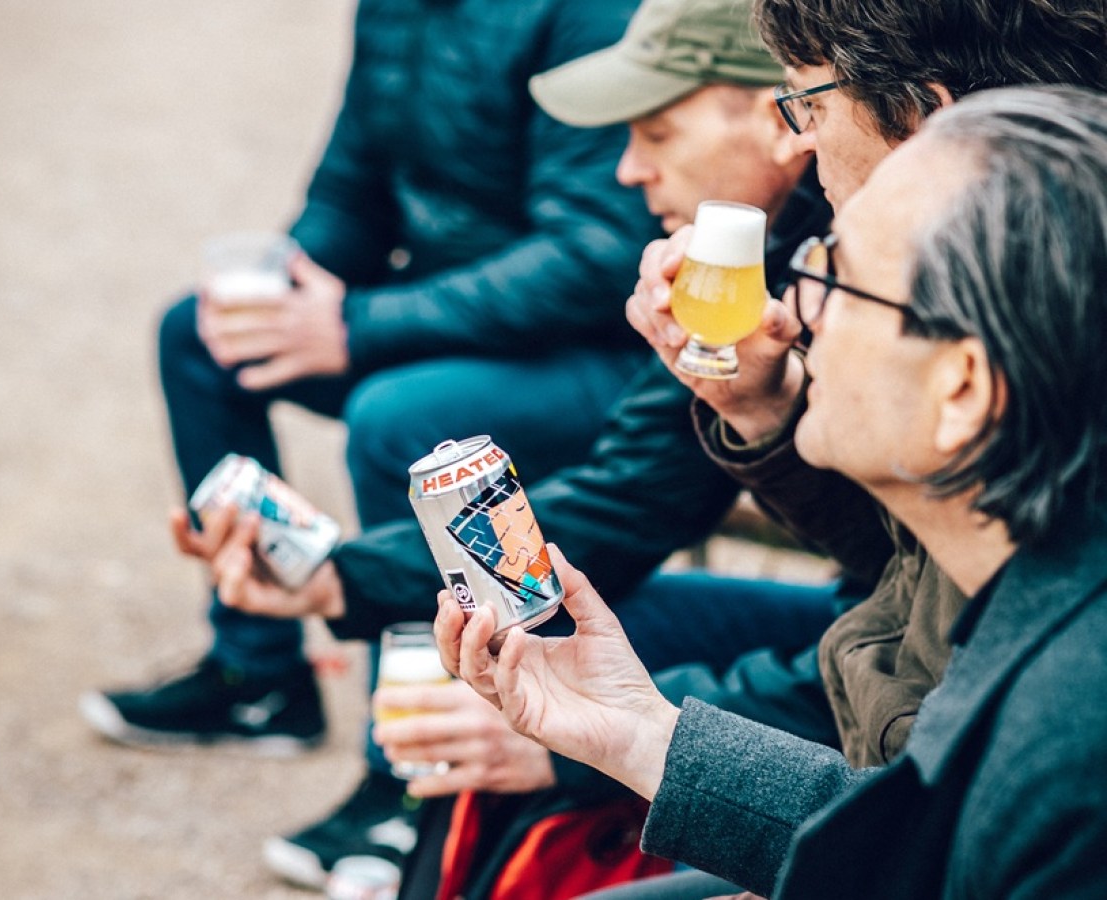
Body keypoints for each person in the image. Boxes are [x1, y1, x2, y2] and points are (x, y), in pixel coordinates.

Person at [179, 0, 856, 889]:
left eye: (654, 132)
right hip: (860, 636)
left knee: (500, 628)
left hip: (877, 669)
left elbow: (903, 659)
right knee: (507, 649)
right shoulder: (743, 269)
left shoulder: (849, 273)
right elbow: (632, 498)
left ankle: (407, 803)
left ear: (786, 119)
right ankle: (356, 761)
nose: (629, 168)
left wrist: (581, 751)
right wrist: (336, 575)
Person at [440, 84, 1107, 898]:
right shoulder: (1034, 599)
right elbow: (915, 836)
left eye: (841, 279)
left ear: (962, 387)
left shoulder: (1068, 741)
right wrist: (638, 731)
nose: (794, 311)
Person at [80, 0, 660, 885]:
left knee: (400, 419)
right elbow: (351, 190)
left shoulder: (586, 13)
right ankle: (259, 677)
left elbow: (594, 253)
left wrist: (356, 323)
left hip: (591, 351)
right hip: (439, 323)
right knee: (199, 337)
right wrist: (293, 291)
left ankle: (411, 776)